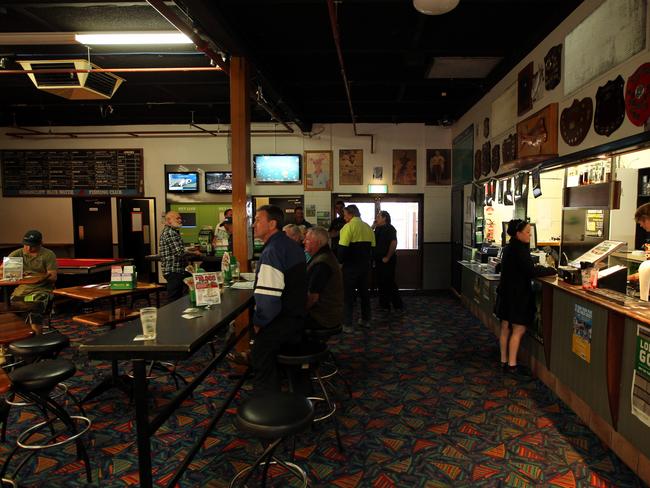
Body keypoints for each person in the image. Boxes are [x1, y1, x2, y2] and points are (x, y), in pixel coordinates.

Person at [250, 205, 307, 395]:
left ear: (272, 224)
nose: (253, 224)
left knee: (260, 355)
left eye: (258, 220)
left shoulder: (272, 251)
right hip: (298, 318)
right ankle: (297, 399)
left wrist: (259, 323)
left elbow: (268, 300)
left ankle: (268, 411)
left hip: (284, 320)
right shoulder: (290, 245)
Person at [495, 219, 556, 373]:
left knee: (505, 327)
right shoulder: (520, 250)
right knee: (519, 329)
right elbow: (531, 271)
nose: (530, 235)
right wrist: (552, 270)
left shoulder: (509, 248)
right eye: (528, 232)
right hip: (517, 295)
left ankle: (503, 360)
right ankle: (512, 364)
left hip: (505, 293)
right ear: (518, 233)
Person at [8, 230, 58, 332]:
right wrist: (15, 272)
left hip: (42, 290)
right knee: (12, 305)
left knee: (35, 305)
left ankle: (37, 337)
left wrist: (33, 276)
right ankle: (18, 335)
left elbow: (53, 277)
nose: (28, 248)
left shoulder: (48, 254)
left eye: (32, 246)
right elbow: (3, 271)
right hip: (22, 290)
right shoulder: (17, 254)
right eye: (26, 245)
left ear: (40, 244)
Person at [338, 204, 375, 329]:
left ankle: (347, 323)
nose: (343, 218)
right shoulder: (368, 228)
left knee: (348, 295)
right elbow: (372, 249)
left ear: (351, 214)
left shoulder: (347, 227)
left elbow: (342, 249)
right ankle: (366, 320)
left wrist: (340, 263)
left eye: (345, 215)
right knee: (365, 294)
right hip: (365, 267)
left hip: (350, 267)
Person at [303, 227, 343, 331]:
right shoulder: (324, 256)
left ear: (317, 242)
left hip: (323, 317)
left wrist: (298, 311)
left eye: (307, 239)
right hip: (327, 312)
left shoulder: (322, 263)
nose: (303, 242)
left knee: (285, 321)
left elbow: (313, 298)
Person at [159, 211, 200, 302]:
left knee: (180, 297)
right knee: (174, 299)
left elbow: (178, 248)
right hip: (174, 271)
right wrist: (194, 253)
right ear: (169, 220)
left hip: (177, 270)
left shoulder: (173, 231)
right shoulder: (170, 232)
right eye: (177, 218)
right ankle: (172, 315)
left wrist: (190, 249)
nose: (180, 220)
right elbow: (179, 252)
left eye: (180, 218)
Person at [373, 211, 403, 312]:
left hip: (388, 260)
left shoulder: (390, 229)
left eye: (378, 216)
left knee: (389, 282)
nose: (376, 218)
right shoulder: (377, 228)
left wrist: (388, 257)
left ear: (384, 218)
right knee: (380, 282)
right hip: (378, 259)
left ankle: (397, 304)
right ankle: (384, 304)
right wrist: (373, 226)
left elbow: (394, 243)